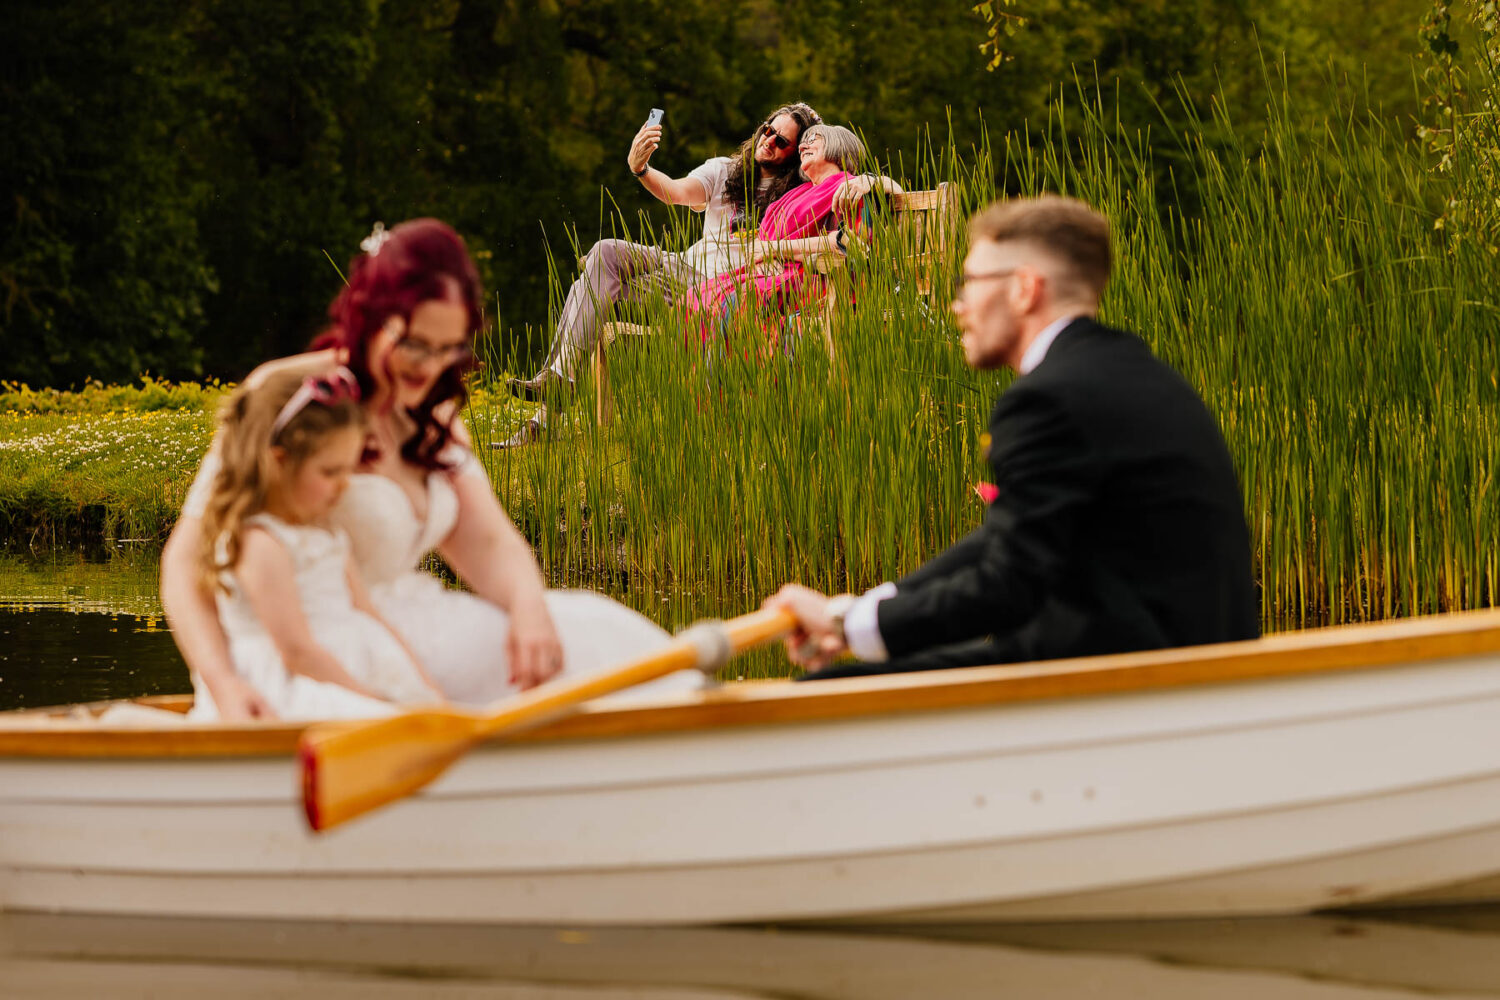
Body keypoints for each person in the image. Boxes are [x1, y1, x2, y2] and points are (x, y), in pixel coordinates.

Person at [161, 218, 696, 720]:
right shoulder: (286, 396)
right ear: (370, 317)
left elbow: (488, 544)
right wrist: (225, 682)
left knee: (594, 629)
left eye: (449, 348)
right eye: (415, 343)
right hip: (310, 647)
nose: (429, 365)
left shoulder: (436, 414)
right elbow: (186, 567)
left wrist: (529, 611)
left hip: (405, 624)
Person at [765, 195, 1259, 677]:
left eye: (969, 282)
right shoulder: (1140, 372)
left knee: (826, 686)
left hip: (1128, 675)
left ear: (1024, 289)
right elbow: (1005, 538)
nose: (956, 304)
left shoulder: (1047, 400)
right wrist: (858, 610)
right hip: (1183, 658)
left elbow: (1010, 584)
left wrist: (846, 626)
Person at [497, 102, 824, 445]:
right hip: (683, 267)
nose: (769, 140)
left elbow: (841, 181)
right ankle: (559, 382)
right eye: (768, 129)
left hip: (719, 292)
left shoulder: (796, 198)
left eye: (781, 141)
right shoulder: (725, 170)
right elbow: (676, 191)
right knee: (605, 253)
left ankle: (546, 417)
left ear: (795, 153)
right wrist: (641, 169)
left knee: (588, 286)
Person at [192, 367, 444, 720]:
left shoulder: (327, 536)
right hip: (292, 682)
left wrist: (423, 683)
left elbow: (368, 612)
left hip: (345, 667)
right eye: (330, 472)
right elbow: (297, 652)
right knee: (380, 718)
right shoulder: (260, 544)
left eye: (348, 470)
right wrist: (372, 701)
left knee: (428, 707)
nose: (344, 484)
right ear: (280, 462)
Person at [684, 124, 867, 337]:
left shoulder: (850, 187)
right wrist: (764, 258)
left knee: (734, 302)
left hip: (817, 276)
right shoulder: (797, 193)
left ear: (839, 146)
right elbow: (759, 247)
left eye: (814, 139)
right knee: (694, 299)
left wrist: (774, 249)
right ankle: (700, 370)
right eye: (802, 143)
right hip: (771, 272)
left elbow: (845, 241)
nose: (803, 146)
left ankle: (726, 369)